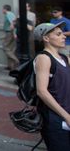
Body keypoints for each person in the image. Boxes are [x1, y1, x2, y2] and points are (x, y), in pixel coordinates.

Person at [33, 22, 70, 150]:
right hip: (55, 118)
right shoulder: (44, 58)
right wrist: (66, 116)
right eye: (58, 34)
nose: (64, 36)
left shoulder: (65, 58)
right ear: (46, 38)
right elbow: (42, 91)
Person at [2, 4, 19, 71]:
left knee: (5, 47)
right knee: (10, 49)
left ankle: (16, 60)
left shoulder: (9, 14)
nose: (2, 10)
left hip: (10, 33)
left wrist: (14, 33)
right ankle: (10, 66)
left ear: (5, 9)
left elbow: (13, 23)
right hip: (9, 33)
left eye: (3, 9)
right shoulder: (9, 14)